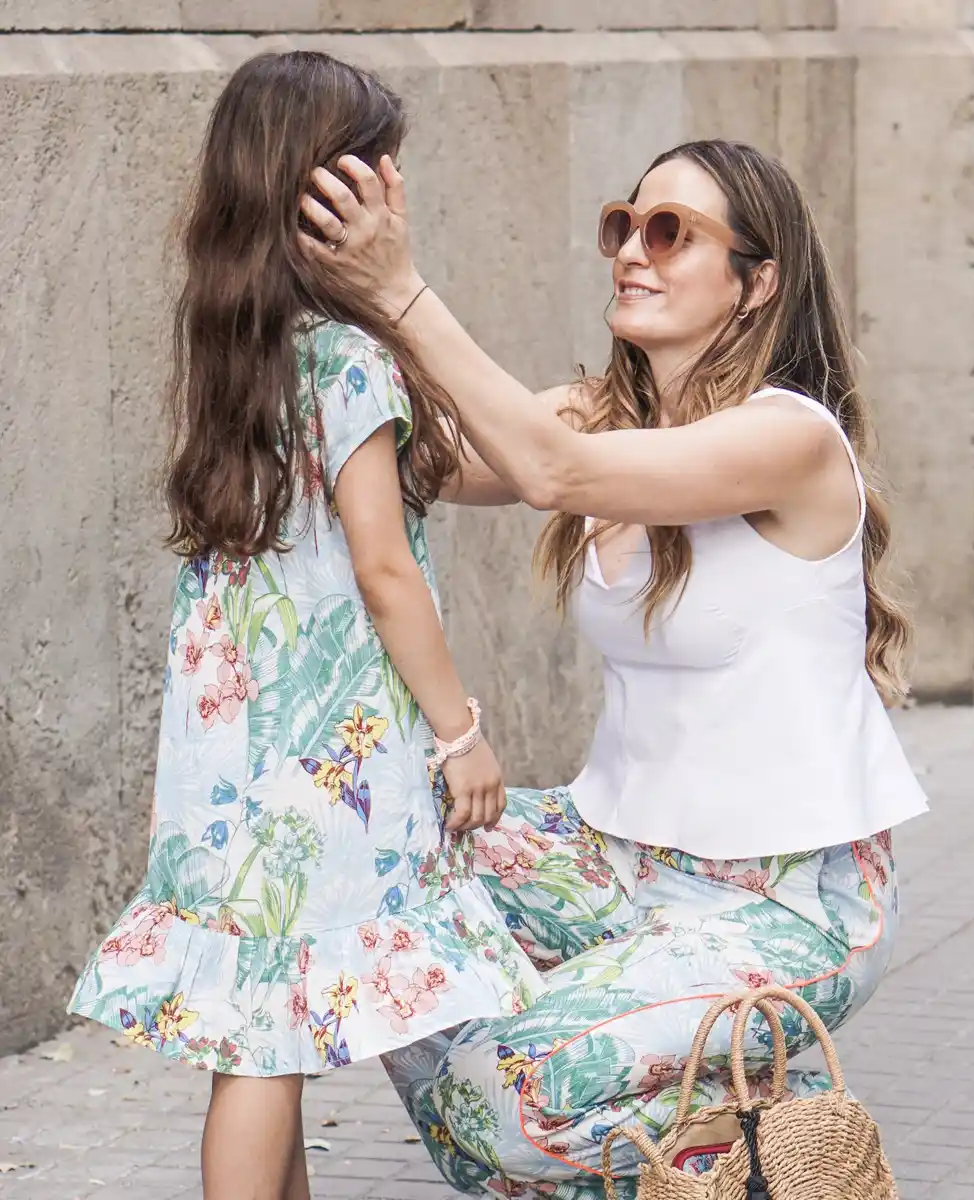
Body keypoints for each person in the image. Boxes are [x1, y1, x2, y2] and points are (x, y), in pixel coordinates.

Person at [301, 138, 929, 1194]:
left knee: (502, 1098)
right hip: (616, 853)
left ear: (757, 281)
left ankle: (739, 1136)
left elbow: (554, 472)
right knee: (378, 876)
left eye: (671, 232)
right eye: (623, 225)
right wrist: (319, 304)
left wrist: (400, 288)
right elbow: (426, 453)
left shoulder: (791, 439)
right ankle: (703, 1122)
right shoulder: (598, 413)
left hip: (788, 903)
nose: (634, 251)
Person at [65, 51, 543, 1200]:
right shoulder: (348, 358)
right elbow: (382, 566)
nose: (398, 194)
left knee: (259, 1023)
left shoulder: (240, 345)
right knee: (264, 1045)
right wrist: (460, 732)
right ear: (334, 191)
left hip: (233, 743)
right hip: (314, 747)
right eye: (383, 171)